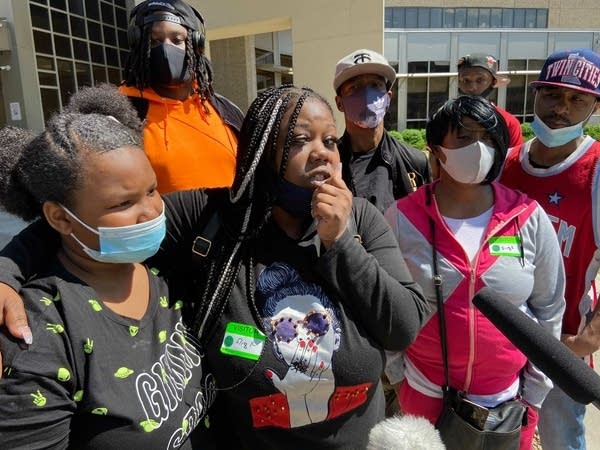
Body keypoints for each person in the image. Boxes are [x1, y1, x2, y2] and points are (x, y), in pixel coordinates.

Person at [0, 85, 429, 449]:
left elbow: (403, 326)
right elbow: (82, 223)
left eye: (330, 141)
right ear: (262, 151)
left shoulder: (360, 221)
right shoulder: (214, 215)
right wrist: (6, 273)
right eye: (299, 141)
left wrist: (339, 244)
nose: (321, 154)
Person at [0, 85, 215, 448]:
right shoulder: (42, 336)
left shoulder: (160, 265)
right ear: (60, 219)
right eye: (123, 203)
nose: (151, 212)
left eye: (152, 190)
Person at [384, 95, 565, 449]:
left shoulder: (527, 216)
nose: (478, 148)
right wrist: (397, 376)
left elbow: (549, 309)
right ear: (437, 149)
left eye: (487, 138)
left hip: (507, 403)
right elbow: (386, 304)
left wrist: (534, 394)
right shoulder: (402, 217)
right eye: (464, 138)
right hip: (424, 395)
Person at [500, 48, 600, 450]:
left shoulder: (595, 172)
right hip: (501, 338)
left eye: (578, 99)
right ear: (535, 94)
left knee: (560, 438)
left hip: (562, 343)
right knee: (501, 433)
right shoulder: (505, 165)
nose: (562, 108)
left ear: (594, 106)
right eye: (553, 95)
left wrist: (587, 340)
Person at [120, 0, 244, 193]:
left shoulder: (225, 111)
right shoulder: (118, 115)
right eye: (154, 41)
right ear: (138, 45)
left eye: (177, 40)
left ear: (195, 44)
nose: (166, 50)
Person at [333, 48, 430, 213]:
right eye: (354, 87)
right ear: (339, 103)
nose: (366, 94)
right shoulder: (331, 165)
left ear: (388, 98)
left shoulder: (415, 162)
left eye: (375, 85)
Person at [457, 53, 524, 149]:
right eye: (466, 80)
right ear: (459, 82)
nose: (472, 87)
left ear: (493, 82)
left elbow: (514, 160)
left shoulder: (508, 123)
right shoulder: (444, 118)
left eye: (480, 80)